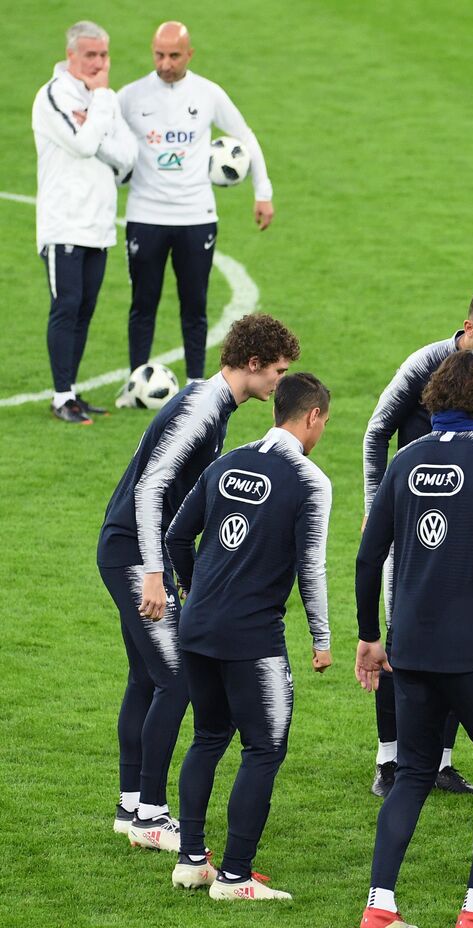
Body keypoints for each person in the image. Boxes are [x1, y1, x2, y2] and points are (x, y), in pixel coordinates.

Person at [98, 313, 299, 854]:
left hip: (130, 550)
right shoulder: (201, 408)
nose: (281, 383)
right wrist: (155, 574)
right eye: (278, 371)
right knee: (178, 680)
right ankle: (151, 815)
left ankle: (130, 804)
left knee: (147, 676)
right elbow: (150, 489)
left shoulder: (209, 401)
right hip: (134, 556)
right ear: (253, 365)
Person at [355, 350, 473, 928]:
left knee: (411, 773)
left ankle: (379, 907)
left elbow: (366, 555)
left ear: (433, 398)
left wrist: (371, 637)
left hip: (411, 648)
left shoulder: (405, 460)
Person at [165, 373, 332, 901]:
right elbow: (311, 566)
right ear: (312, 417)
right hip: (252, 637)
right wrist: (321, 639)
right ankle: (235, 876)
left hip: (195, 627)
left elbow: (176, 535)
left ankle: (192, 860)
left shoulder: (226, 462)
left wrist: (194, 589)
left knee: (208, 737)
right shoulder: (310, 481)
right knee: (264, 748)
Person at [362, 283, 473, 798]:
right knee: (400, 636)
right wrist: (377, 511)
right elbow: (376, 433)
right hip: (414, 519)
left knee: (464, 636)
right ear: (469, 326)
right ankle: (389, 761)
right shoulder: (426, 364)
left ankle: (440, 762)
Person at [117, 21, 274, 392]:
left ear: (189, 54)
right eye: (159, 54)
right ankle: (136, 382)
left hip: (195, 217)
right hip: (146, 215)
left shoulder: (207, 93)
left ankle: (194, 384)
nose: (165, 63)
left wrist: (262, 191)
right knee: (143, 302)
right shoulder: (130, 96)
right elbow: (105, 139)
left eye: (174, 55)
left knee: (195, 304)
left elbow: (244, 136)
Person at [31, 20, 135, 423]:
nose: (98, 62)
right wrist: (102, 105)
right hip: (64, 223)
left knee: (85, 309)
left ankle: (71, 392)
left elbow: (128, 159)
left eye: (103, 55)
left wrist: (95, 121)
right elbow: (84, 143)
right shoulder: (53, 95)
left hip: (99, 225)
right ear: (71, 55)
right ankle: (61, 398)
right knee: (66, 306)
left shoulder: (100, 99)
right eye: (90, 54)